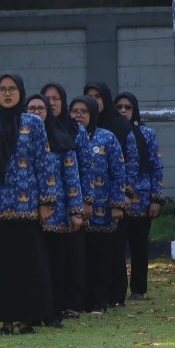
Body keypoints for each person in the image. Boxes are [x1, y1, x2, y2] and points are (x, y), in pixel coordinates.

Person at [0, 74, 55, 336]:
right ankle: (6, 321)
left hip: (27, 205)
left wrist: (47, 201)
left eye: (12, 89)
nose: (7, 94)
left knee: (28, 265)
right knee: (1, 267)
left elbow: (43, 162)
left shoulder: (34, 124)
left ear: (21, 92)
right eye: (2, 90)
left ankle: (27, 320)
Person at [30, 90, 86, 322]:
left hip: (58, 213)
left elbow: (72, 178)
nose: (35, 113)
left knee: (58, 264)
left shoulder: (62, 139)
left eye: (40, 109)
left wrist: (76, 211)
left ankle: (58, 309)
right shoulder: (22, 139)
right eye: (31, 109)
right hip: (28, 213)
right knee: (35, 265)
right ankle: (35, 311)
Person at [70, 96, 126, 314]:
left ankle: (99, 301)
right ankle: (80, 301)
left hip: (103, 211)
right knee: (79, 260)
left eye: (84, 111)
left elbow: (118, 172)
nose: (79, 115)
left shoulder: (107, 138)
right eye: (74, 110)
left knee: (100, 258)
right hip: (76, 210)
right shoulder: (68, 135)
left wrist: (117, 204)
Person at [114, 92, 163, 302]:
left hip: (142, 202)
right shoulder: (110, 134)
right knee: (116, 250)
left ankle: (138, 289)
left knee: (139, 248)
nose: (123, 111)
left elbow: (156, 166)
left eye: (128, 107)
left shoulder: (146, 134)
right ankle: (116, 292)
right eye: (119, 107)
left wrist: (156, 198)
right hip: (116, 203)